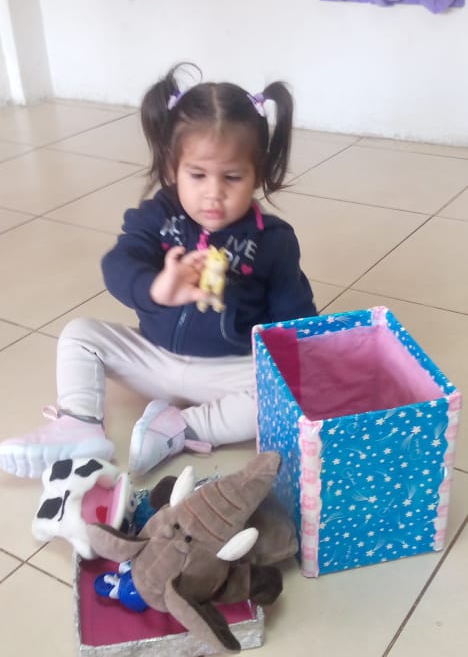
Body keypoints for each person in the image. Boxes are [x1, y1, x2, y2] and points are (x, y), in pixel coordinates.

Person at [0, 65, 317, 480]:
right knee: (79, 334)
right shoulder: (158, 215)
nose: (213, 193)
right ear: (172, 168)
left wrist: (299, 367)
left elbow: (294, 320)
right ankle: (79, 423)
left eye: (232, 177)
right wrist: (156, 288)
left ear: (258, 174)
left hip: (226, 371)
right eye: (197, 175)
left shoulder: (273, 240)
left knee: (290, 390)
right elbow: (118, 263)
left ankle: (182, 428)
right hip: (152, 358)